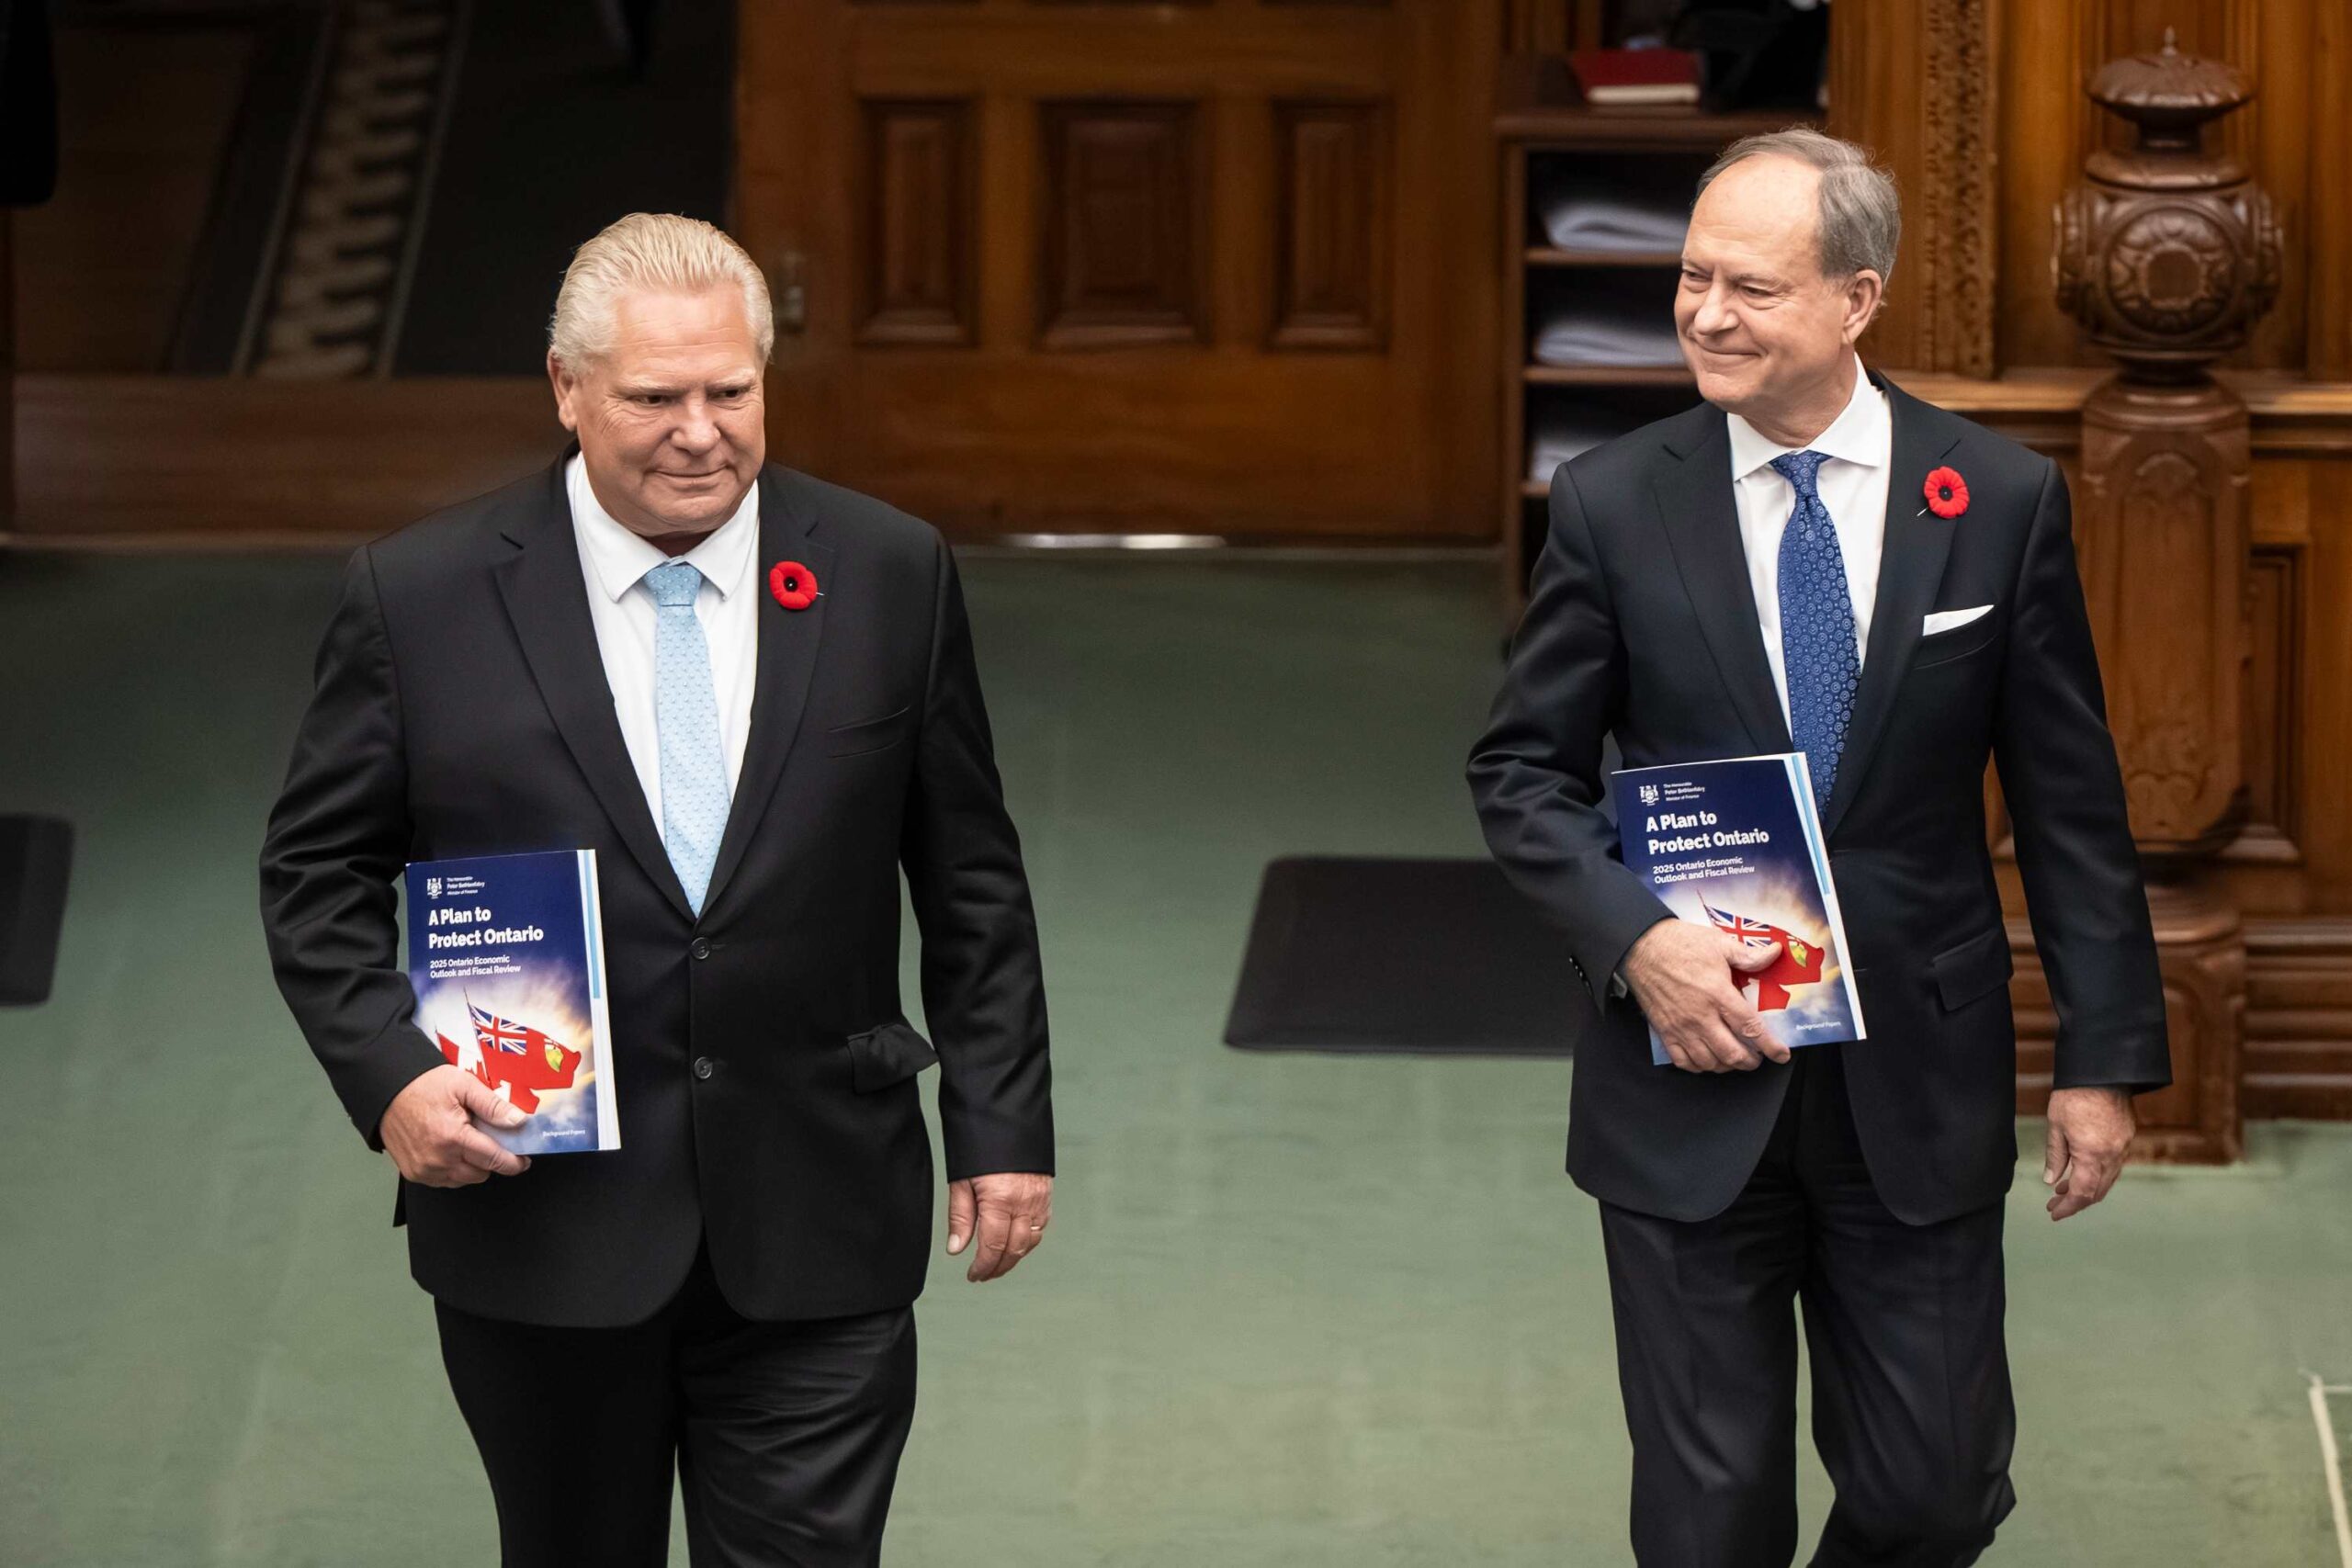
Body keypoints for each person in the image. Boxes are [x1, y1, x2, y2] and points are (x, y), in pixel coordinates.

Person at [260, 212, 1055, 1567]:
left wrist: (1002, 1120)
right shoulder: (422, 595)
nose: (702, 431)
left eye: (730, 392)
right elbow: (317, 872)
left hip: (819, 1204)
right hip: (545, 1224)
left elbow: (970, 871)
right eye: (654, 398)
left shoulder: (887, 572)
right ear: (568, 392)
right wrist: (389, 1072)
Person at [1467, 130, 2167, 1567]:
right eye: (1691, 277)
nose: (1706, 315)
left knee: (1936, 1494)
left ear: (1857, 299)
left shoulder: (1998, 501)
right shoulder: (1611, 502)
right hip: (1690, 1074)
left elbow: (2071, 808)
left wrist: (2102, 1060)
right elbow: (1523, 774)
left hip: (1915, 1072)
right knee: (1712, 1518)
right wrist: (1637, 941)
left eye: (1752, 288)